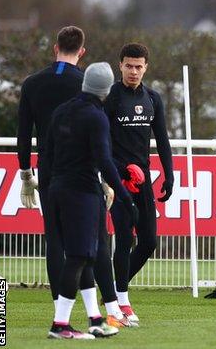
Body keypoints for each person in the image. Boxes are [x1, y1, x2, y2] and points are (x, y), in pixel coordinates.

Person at [15, 26, 130, 331]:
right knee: (96, 243)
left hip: (49, 169)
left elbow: (24, 133)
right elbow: (103, 139)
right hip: (83, 172)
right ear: (82, 52)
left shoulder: (32, 83)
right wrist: (108, 181)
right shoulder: (86, 86)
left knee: (55, 240)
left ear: (55, 48)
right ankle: (110, 310)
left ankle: (61, 309)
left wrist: (26, 172)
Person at [42, 62, 138, 339]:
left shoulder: (61, 111)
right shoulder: (96, 117)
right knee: (80, 255)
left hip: (57, 188)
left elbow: (46, 152)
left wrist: (48, 187)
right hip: (82, 191)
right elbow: (104, 160)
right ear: (106, 89)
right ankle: (60, 324)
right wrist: (123, 195)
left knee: (87, 254)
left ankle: (95, 319)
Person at [105, 43, 174, 325]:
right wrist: (121, 169)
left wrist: (169, 174)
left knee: (148, 242)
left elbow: (163, 139)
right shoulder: (110, 97)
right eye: (128, 66)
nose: (133, 71)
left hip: (143, 179)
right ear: (120, 65)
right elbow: (102, 142)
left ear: (146, 67)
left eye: (138, 66)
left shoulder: (153, 98)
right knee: (124, 238)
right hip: (118, 179)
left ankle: (113, 288)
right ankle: (121, 301)